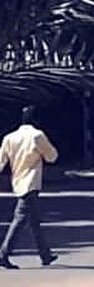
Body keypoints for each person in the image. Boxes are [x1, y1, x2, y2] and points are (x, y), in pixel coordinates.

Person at [0, 106, 59, 270]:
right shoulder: (37, 136)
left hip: (18, 181)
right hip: (31, 183)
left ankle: (45, 254)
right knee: (20, 218)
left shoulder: (9, 138)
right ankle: (3, 253)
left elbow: (1, 161)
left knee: (33, 220)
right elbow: (52, 156)